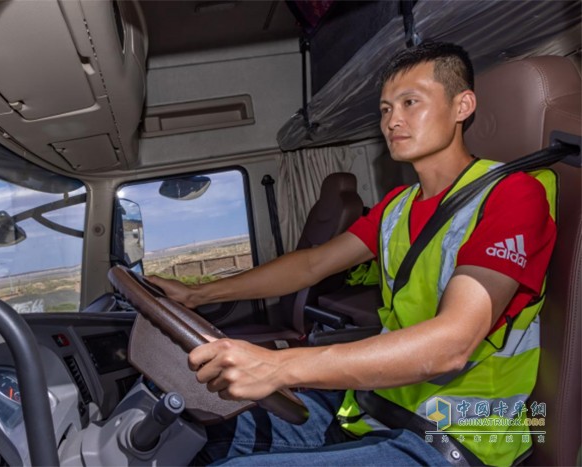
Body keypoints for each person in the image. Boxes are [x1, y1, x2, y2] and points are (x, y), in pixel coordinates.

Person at [149, 41, 557, 466]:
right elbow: (312, 264)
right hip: (376, 409)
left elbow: (452, 344)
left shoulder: (512, 194)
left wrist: (279, 366)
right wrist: (199, 295)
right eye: (384, 109)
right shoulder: (397, 206)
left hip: (457, 435)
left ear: (462, 106)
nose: (392, 121)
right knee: (196, 431)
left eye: (410, 102)